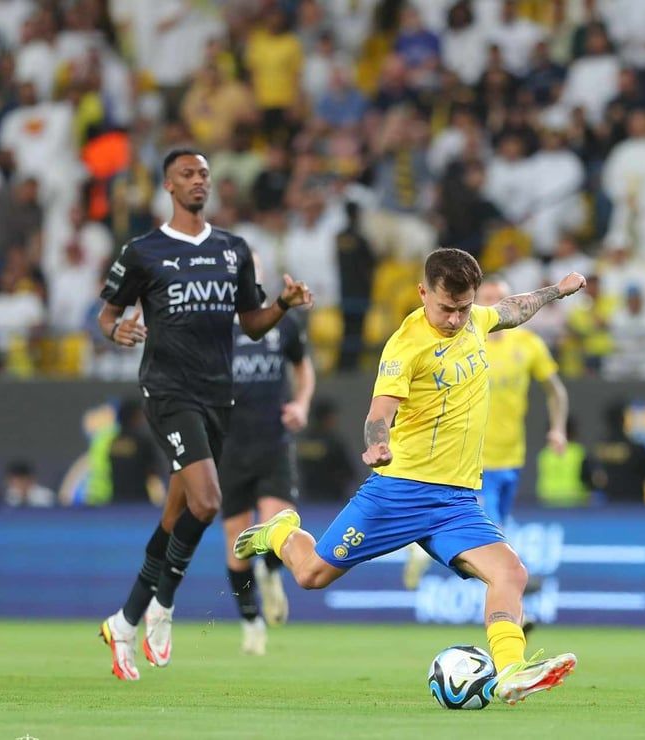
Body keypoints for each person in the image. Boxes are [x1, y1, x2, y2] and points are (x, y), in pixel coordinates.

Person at [233, 248, 585, 706]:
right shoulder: (406, 345)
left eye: (463, 308)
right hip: (399, 491)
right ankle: (281, 531)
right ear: (423, 292)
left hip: (456, 502)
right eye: (446, 308)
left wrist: (557, 291)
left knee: (510, 573)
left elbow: (513, 308)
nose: (455, 319)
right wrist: (377, 443)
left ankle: (511, 671)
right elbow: (379, 412)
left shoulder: (476, 320)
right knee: (311, 575)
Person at [96, 148, 313, 681]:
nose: (199, 181)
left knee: (177, 514)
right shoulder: (143, 251)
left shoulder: (232, 249)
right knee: (209, 500)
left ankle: (124, 622)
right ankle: (163, 603)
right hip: (169, 392)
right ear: (168, 185)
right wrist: (117, 330)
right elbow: (107, 315)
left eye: (204, 174)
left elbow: (253, 323)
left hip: (219, 397)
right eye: (188, 174)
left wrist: (283, 305)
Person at [403, 275, 569, 588]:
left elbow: (555, 390)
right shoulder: (460, 342)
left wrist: (558, 429)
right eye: (488, 299)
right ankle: (514, 597)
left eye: (500, 298)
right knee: (491, 539)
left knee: (495, 529)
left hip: (512, 456)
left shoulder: (528, 344)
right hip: (474, 459)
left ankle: (425, 547)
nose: (495, 305)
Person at [219, 256, 315, 655]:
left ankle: (272, 573)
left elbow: (303, 367)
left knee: (277, 526)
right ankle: (250, 620)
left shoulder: (282, 323)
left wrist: (302, 404)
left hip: (273, 440)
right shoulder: (213, 327)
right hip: (228, 446)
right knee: (237, 542)